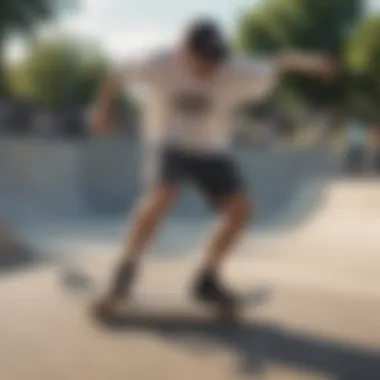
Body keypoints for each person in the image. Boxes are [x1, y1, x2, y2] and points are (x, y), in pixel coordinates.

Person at [91, 17, 336, 312]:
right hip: (169, 143)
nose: (210, 68)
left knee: (240, 209)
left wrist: (314, 63)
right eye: (203, 61)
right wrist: (102, 109)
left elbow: (280, 62)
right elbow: (116, 73)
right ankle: (125, 271)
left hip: (211, 148)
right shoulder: (156, 61)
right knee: (162, 195)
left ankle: (206, 280)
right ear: (183, 51)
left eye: (215, 61)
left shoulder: (237, 68)